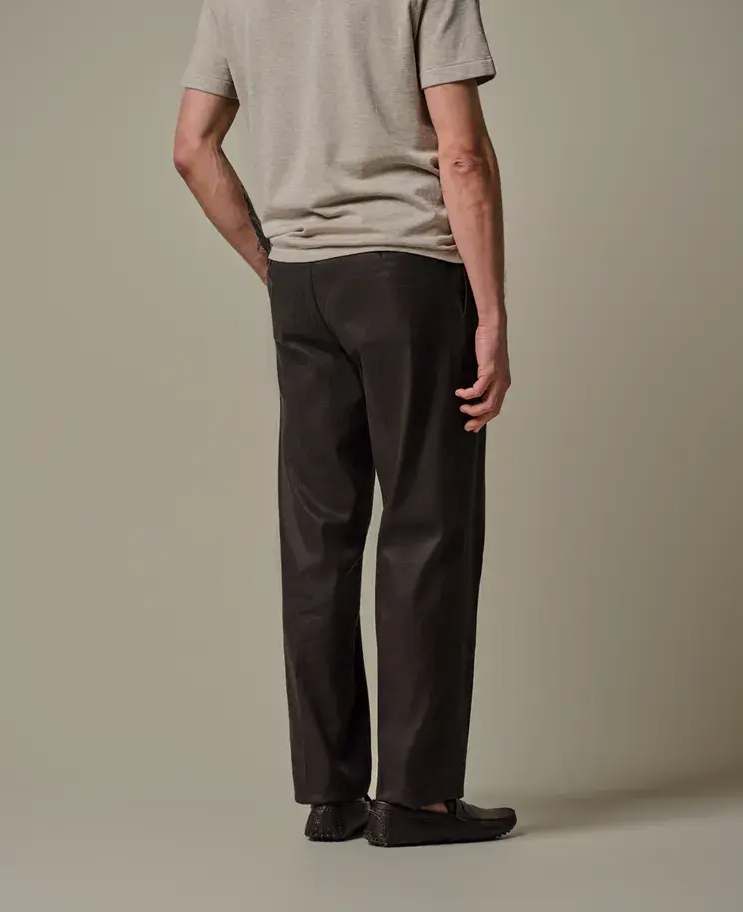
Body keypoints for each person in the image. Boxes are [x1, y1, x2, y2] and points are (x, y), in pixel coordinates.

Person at [174, 0, 515, 848]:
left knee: (317, 539)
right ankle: (417, 801)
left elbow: (191, 146)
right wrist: (491, 315)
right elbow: (461, 154)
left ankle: (331, 795)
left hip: (303, 283)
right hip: (408, 272)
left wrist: (274, 262)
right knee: (428, 528)